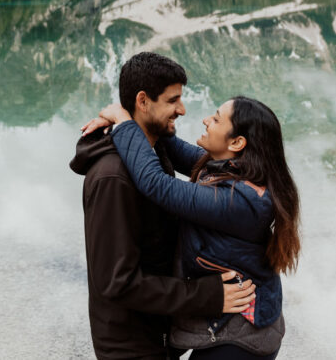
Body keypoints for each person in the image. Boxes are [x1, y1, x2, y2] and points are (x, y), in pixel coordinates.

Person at [70, 52, 257, 360]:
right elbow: (118, 283)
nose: (182, 110)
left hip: (159, 333)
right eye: (173, 101)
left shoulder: (154, 153)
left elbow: (209, 166)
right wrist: (207, 295)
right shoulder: (113, 177)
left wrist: (123, 119)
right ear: (143, 101)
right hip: (131, 348)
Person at [84, 95, 301, 359]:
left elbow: (156, 183)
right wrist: (141, 118)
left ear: (236, 142)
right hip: (228, 325)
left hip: (240, 339)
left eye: (217, 118)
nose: (206, 120)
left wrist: (123, 121)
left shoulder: (237, 201)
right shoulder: (232, 168)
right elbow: (174, 148)